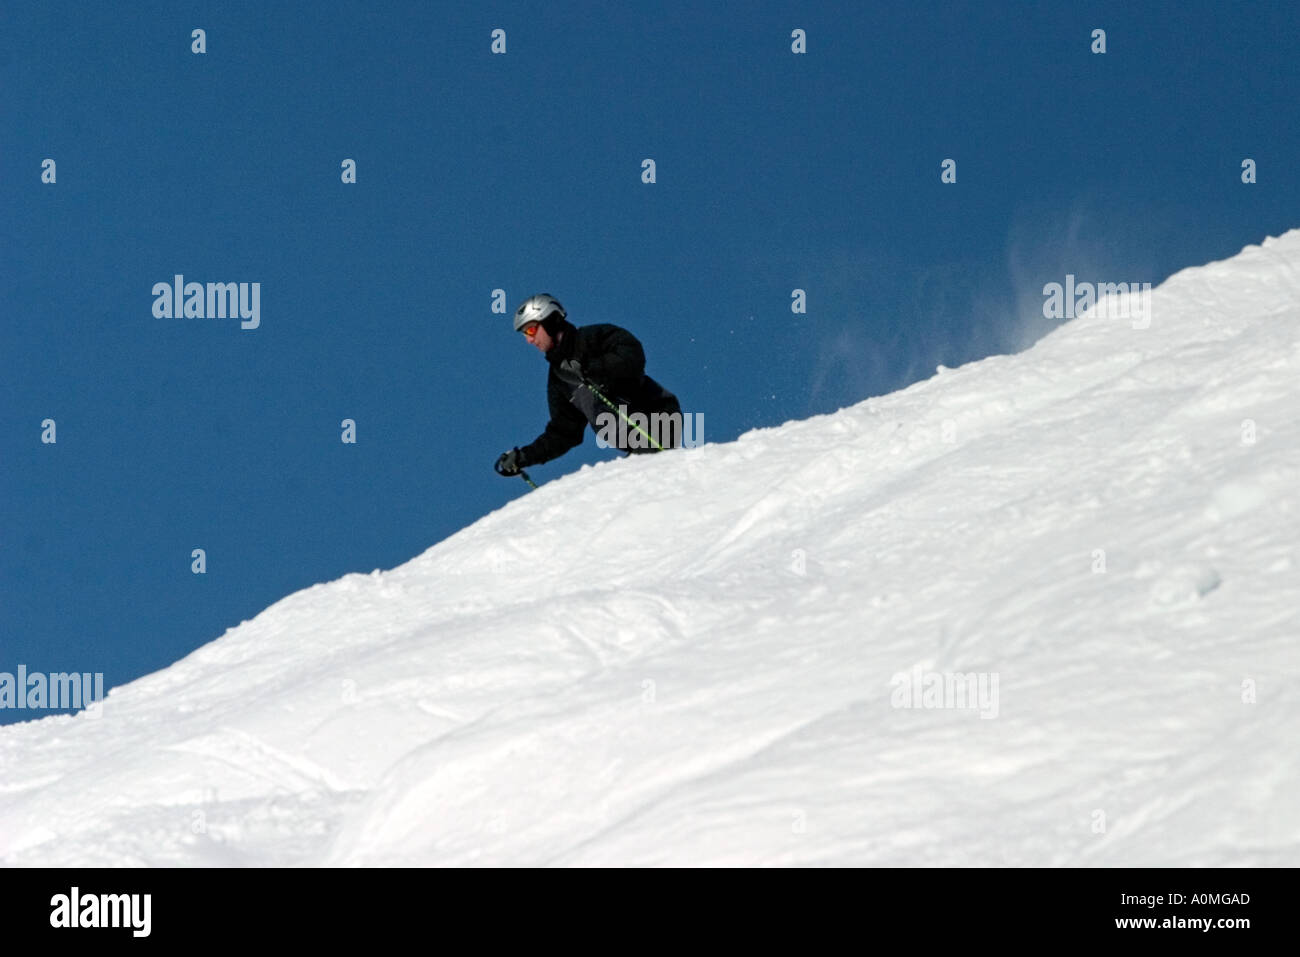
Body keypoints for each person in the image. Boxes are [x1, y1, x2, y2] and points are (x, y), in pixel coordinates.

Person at [495, 293, 682, 477]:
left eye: (531, 330)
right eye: (524, 334)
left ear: (550, 321)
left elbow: (631, 354)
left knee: (642, 478)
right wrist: (524, 457)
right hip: (633, 440)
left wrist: (594, 371)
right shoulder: (559, 378)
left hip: (657, 418)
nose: (529, 340)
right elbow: (563, 432)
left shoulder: (593, 338)